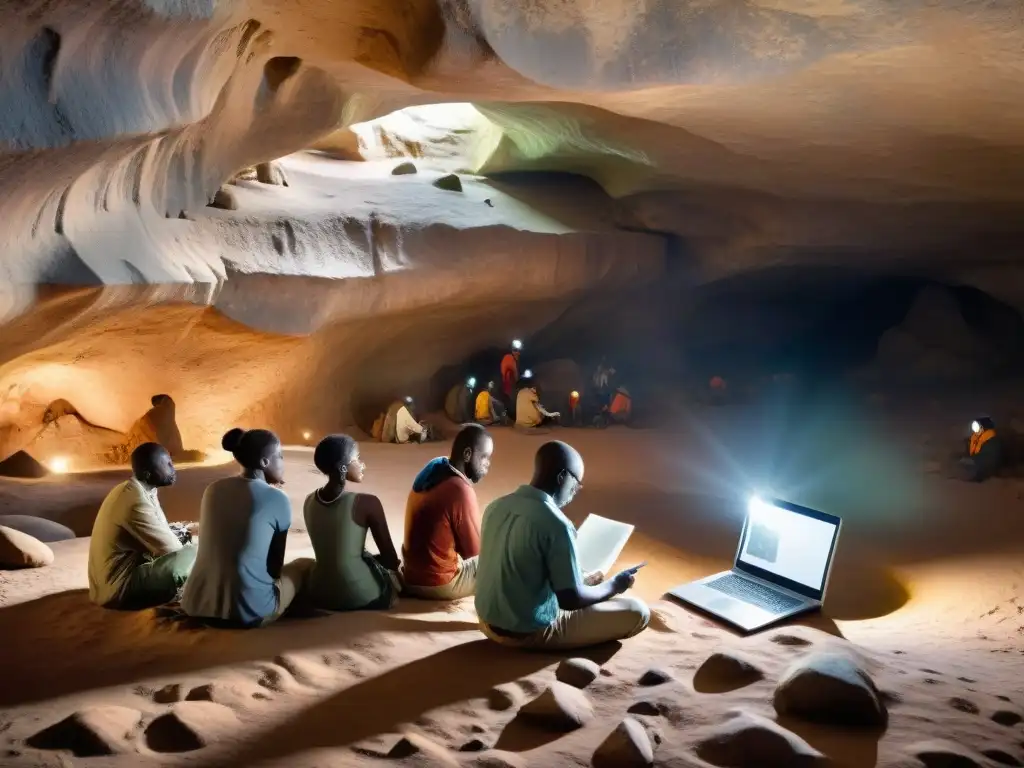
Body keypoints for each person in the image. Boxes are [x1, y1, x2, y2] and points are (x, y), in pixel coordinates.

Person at [475, 440, 650, 650]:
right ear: (562, 477)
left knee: (583, 581)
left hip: (486, 623)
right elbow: (571, 600)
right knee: (637, 610)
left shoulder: (496, 506)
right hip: (527, 633)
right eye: (576, 484)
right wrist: (615, 586)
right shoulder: (556, 523)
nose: (575, 491)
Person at [181, 428, 311, 627]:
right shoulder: (277, 498)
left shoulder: (213, 489)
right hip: (247, 611)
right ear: (264, 462)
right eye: (280, 457)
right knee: (302, 566)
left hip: (195, 605)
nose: (283, 463)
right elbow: (274, 569)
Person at [88, 443, 197, 609]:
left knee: (190, 542)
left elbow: (161, 530)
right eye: (167, 465)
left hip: (108, 588)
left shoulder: (138, 490)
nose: (173, 469)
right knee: (195, 553)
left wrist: (184, 531)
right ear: (148, 474)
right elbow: (171, 550)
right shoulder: (135, 501)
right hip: (120, 590)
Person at [304, 435, 402, 610]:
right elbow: (390, 559)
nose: (362, 464)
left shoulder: (309, 500)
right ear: (343, 467)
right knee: (392, 574)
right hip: (359, 593)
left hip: (319, 591)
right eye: (357, 459)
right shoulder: (367, 503)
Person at [402, 425, 493, 599]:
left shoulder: (436, 465)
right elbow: (474, 552)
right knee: (501, 562)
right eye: (484, 458)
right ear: (467, 454)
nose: (488, 465)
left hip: (410, 574)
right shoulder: (460, 491)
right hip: (437, 583)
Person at [958, 417, 1003, 482]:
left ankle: (976, 478)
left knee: (975, 463)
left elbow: (989, 457)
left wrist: (972, 459)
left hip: (987, 466)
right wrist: (963, 457)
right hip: (977, 462)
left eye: (978, 426)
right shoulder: (975, 438)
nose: (975, 428)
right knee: (959, 459)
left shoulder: (991, 440)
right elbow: (970, 451)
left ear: (984, 427)